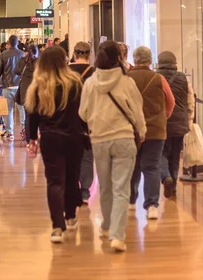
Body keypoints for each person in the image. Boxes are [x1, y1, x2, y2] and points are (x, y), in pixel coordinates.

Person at [79, 41, 146, 253]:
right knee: (121, 188)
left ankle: (107, 226)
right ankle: (117, 235)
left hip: (99, 139)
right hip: (124, 138)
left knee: (106, 186)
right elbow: (137, 112)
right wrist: (142, 133)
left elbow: (83, 113)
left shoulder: (90, 84)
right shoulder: (126, 82)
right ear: (118, 58)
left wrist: (96, 120)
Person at [26, 47, 84, 244]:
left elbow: (32, 116)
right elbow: (82, 113)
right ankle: (71, 215)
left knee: (54, 181)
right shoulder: (75, 83)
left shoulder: (37, 86)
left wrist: (32, 138)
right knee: (72, 177)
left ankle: (57, 227)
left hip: (50, 138)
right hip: (74, 137)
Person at [128, 46, 175, 219]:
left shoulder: (126, 78)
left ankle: (131, 201)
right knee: (152, 167)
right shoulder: (159, 78)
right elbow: (171, 102)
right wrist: (163, 117)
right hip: (156, 130)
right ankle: (152, 206)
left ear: (134, 59)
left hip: (132, 130)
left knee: (132, 166)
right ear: (150, 60)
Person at [157, 51, 194, 197]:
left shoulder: (155, 78)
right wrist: (189, 121)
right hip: (180, 123)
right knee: (175, 155)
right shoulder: (183, 78)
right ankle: (173, 186)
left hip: (161, 122)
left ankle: (166, 177)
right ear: (174, 62)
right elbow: (190, 102)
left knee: (161, 153)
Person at [69, 41, 95, 205]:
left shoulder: (65, 71)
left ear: (74, 54)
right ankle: (85, 191)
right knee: (87, 156)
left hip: (69, 119)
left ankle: (72, 188)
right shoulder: (95, 73)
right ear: (89, 55)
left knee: (71, 156)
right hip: (90, 120)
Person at [0, 35, 25, 141]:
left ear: (8, 42)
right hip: (20, 85)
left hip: (7, 85)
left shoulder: (4, 54)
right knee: (22, 109)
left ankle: (9, 132)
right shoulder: (22, 54)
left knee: (8, 110)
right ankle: (24, 130)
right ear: (17, 43)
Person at [14, 44, 39, 144]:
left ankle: (28, 138)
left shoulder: (22, 61)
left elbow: (16, 71)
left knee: (27, 114)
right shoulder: (38, 62)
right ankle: (34, 136)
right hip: (35, 89)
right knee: (35, 114)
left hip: (25, 89)